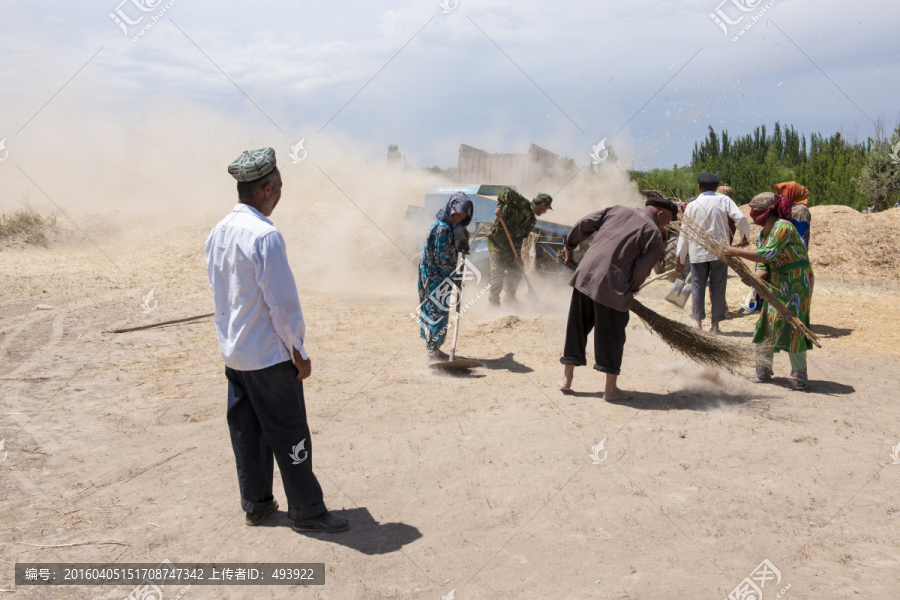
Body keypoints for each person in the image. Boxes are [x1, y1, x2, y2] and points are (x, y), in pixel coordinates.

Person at [205, 148, 349, 533]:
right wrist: (299, 351)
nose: (281, 193)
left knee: (247, 432)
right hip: (269, 357)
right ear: (267, 188)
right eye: (280, 186)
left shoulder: (217, 232)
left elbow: (224, 295)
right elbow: (282, 305)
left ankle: (257, 505)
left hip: (235, 355)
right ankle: (307, 511)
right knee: (289, 433)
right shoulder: (265, 236)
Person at [558, 198, 677, 399]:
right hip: (613, 285)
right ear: (660, 214)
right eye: (667, 221)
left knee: (576, 326)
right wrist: (631, 291)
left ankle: (566, 378)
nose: (665, 226)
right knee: (612, 336)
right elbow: (642, 269)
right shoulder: (653, 234)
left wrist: (569, 244)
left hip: (585, 275)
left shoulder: (617, 209)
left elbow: (585, 222)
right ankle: (610, 390)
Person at [724, 192, 815, 390]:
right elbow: (765, 264)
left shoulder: (783, 226)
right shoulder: (765, 232)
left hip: (796, 280)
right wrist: (754, 279)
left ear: (767, 211)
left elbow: (767, 254)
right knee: (767, 320)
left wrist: (734, 251)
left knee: (793, 323)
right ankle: (763, 370)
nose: (753, 215)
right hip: (778, 278)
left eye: (756, 212)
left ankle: (800, 374)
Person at [675, 172, 750, 333]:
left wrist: (680, 259)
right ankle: (715, 326)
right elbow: (742, 219)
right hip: (720, 253)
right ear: (716, 188)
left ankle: (698, 325)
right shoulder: (724, 200)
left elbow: (684, 232)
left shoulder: (692, 205)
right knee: (718, 288)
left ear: (699, 187)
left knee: (697, 288)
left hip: (697, 254)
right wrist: (745, 237)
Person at [417, 192, 474, 361]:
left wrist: (463, 237)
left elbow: (454, 248)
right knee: (436, 311)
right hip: (434, 275)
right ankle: (432, 352)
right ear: (450, 211)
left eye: (464, 216)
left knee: (439, 311)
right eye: (457, 215)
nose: (460, 218)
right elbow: (441, 258)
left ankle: (434, 350)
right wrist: (454, 276)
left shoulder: (454, 227)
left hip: (442, 274)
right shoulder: (443, 227)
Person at [487, 189, 552, 306]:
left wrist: (517, 256)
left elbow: (519, 239)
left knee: (516, 271)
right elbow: (504, 192)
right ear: (543, 205)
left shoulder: (532, 221)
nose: (545, 212)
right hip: (496, 241)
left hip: (509, 246)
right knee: (498, 273)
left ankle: (510, 299)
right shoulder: (520, 202)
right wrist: (500, 208)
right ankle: (493, 304)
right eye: (546, 209)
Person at [774, 181, 812, 247]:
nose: (779, 196)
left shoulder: (801, 210)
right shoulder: (790, 208)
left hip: (794, 253)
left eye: (782, 193)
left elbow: (801, 235)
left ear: (792, 193)